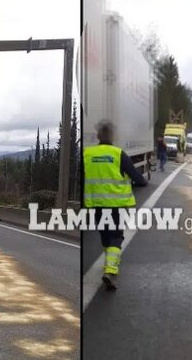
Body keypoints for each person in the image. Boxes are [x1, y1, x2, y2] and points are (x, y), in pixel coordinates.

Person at [84, 120, 147, 290]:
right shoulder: (118, 154)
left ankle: (109, 263)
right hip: (116, 206)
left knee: (105, 236)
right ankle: (110, 271)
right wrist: (142, 181)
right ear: (112, 136)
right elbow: (136, 177)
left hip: (97, 205)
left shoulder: (87, 154)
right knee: (116, 237)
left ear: (98, 136)